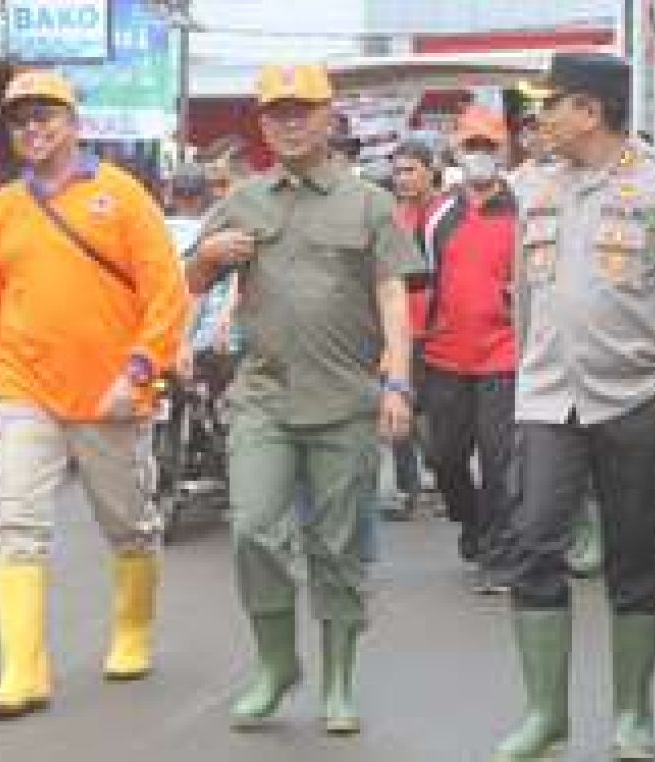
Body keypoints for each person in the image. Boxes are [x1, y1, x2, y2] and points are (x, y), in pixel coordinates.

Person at [494, 52, 655, 761]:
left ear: (590, 111)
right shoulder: (532, 183)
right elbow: (524, 290)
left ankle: (633, 716)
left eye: (552, 105)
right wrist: (528, 370)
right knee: (534, 544)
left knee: (634, 558)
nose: (540, 118)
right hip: (547, 400)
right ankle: (545, 715)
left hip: (636, 399)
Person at [185, 63, 424, 735]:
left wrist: (398, 380)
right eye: (275, 113)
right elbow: (194, 280)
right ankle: (276, 664)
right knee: (252, 531)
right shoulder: (243, 201)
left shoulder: (368, 202)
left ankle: (340, 681)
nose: (289, 122)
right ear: (262, 124)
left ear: (328, 117)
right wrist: (210, 255)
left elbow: (391, 296)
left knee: (340, 544)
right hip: (263, 397)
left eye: (302, 110)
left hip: (346, 399)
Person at [0, 70, 191, 720]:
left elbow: (166, 292)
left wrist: (140, 370)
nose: (32, 128)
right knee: (14, 524)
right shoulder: (1, 209)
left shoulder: (122, 196)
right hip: (21, 387)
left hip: (110, 395)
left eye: (45, 115)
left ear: (73, 122)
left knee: (128, 524)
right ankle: (21, 672)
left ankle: (131, 631)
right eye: (20, 119)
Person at [418, 105, 519, 593]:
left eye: (488, 146)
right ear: (457, 152)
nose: (480, 155)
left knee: (502, 460)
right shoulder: (436, 215)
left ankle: (498, 557)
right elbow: (419, 285)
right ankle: (472, 519)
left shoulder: (524, 210)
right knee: (444, 457)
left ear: (502, 152)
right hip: (444, 356)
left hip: (506, 355)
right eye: (471, 146)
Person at [387, 139, 440, 519]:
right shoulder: (390, 217)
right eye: (398, 171)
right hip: (403, 327)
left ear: (430, 170)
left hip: (443, 327)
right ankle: (409, 488)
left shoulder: (448, 210)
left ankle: (439, 477)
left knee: (437, 416)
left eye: (410, 170)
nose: (403, 179)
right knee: (399, 404)